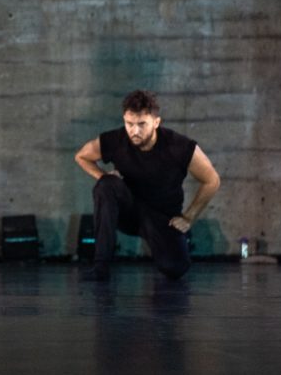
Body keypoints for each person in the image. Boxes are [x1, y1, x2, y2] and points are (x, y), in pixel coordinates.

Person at [74, 90, 220, 281]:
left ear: (156, 123)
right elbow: (82, 156)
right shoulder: (116, 140)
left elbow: (212, 180)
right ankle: (101, 267)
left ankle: (172, 246)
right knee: (105, 185)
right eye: (130, 124)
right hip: (129, 211)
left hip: (162, 218)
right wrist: (102, 175)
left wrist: (189, 217)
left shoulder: (178, 146)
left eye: (142, 124)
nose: (134, 131)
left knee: (175, 268)